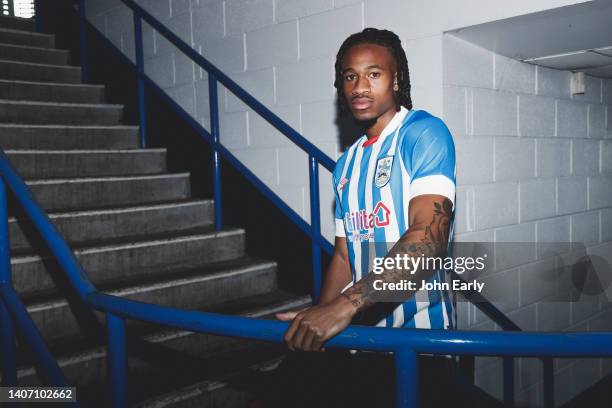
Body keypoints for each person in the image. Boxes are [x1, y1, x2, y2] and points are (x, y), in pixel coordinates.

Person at [253, 28, 458, 408]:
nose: (359, 86)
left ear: (395, 80)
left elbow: (428, 238)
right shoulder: (346, 164)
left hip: (421, 348)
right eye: (350, 76)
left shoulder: (424, 133)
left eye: (374, 74)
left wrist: (343, 307)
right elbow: (346, 257)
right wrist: (318, 321)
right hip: (361, 343)